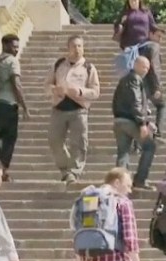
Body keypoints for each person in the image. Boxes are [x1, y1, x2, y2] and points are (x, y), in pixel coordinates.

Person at [49, 34, 101, 185]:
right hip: (59, 108)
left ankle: (74, 171)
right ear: (68, 48)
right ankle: (65, 169)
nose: (77, 49)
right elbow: (47, 84)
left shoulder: (88, 68)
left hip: (79, 110)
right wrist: (54, 90)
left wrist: (80, 91)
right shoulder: (59, 65)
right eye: (74, 46)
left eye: (80, 46)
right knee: (54, 140)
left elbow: (96, 91)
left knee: (78, 142)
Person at [112, 53, 158, 191]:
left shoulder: (124, 80)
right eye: (144, 67)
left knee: (123, 152)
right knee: (149, 146)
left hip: (119, 119)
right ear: (136, 65)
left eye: (148, 68)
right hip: (130, 120)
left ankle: (120, 183)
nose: (146, 70)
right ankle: (140, 179)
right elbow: (135, 102)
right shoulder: (134, 79)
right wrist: (142, 123)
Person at [0, 34, 29, 181]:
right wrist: (24, 106)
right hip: (8, 103)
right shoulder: (12, 61)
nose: (16, 50)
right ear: (5, 45)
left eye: (17, 47)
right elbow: (16, 84)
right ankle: (2, 169)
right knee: (10, 137)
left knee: (2, 134)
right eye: (14, 46)